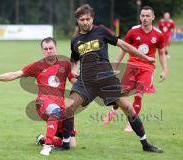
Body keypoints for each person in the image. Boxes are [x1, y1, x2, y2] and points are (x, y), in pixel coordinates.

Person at [64, 4, 163, 153]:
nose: (85, 22)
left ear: (92, 18)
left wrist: (145, 57)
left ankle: (146, 144)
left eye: (88, 19)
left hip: (107, 80)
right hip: (86, 81)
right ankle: (65, 144)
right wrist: (74, 69)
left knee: (128, 108)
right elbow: (73, 60)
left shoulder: (101, 31)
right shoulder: (75, 40)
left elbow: (125, 46)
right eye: (82, 19)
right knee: (68, 107)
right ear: (77, 21)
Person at [0, 37, 77, 156]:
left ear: (56, 48)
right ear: (42, 51)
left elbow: (74, 80)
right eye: (45, 49)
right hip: (43, 102)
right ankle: (47, 147)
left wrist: (86, 82)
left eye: (51, 48)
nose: (48, 51)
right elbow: (15, 74)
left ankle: (42, 140)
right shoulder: (37, 66)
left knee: (71, 144)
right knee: (55, 111)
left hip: (60, 106)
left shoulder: (65, 64)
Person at [103, 5, 167, 133]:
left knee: (139, 95)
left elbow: (161, 53)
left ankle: (130, 123)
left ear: (153, 17)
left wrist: (164, 70)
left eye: (148, 16)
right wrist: (115, 65)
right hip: (131, 67)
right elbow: (124, 49)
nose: (145, 18)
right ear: (140, 17)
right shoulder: (133, 31)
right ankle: (113, 110)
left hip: (147, 69)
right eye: (143, 16)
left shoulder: (159, 35)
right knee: (122, 95)